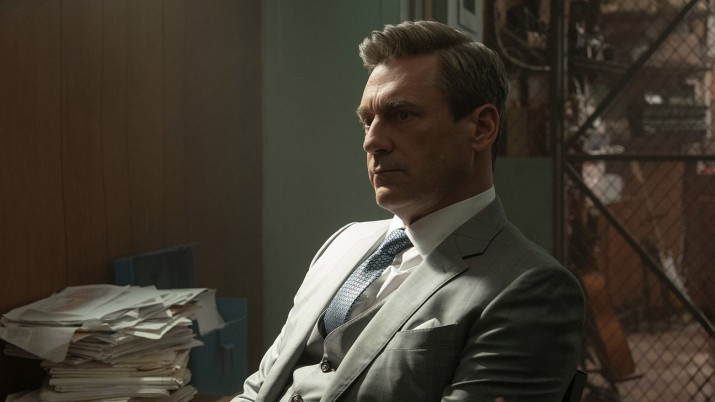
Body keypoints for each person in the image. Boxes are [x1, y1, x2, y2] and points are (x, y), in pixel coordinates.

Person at [234, 20, 585, 402]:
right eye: (367, 121)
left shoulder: (532, 288)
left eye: (401, 115)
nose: (373, 141)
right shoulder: (343, 244)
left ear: (481, 127)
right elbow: (262, 386)